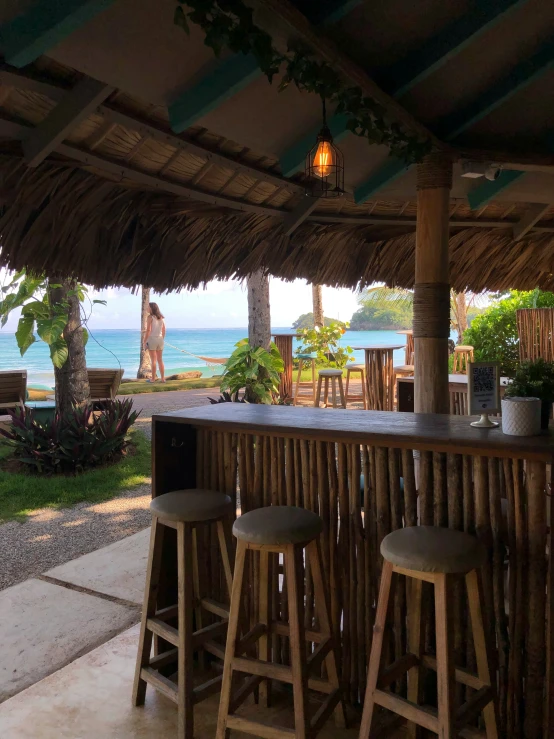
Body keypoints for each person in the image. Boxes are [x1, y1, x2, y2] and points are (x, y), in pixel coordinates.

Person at [144, 302, 166, 383]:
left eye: (148, 307)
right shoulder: (161, 317)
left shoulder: (150, 317)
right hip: (160, 339)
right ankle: (163, 379)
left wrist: (144, 341)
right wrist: (161, 338)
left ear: (152, 308)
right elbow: (164, 330)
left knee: (153, 360)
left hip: (152, 339)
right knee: (160, 360)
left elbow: (148, 330)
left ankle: (153, 379)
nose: (147, 308)